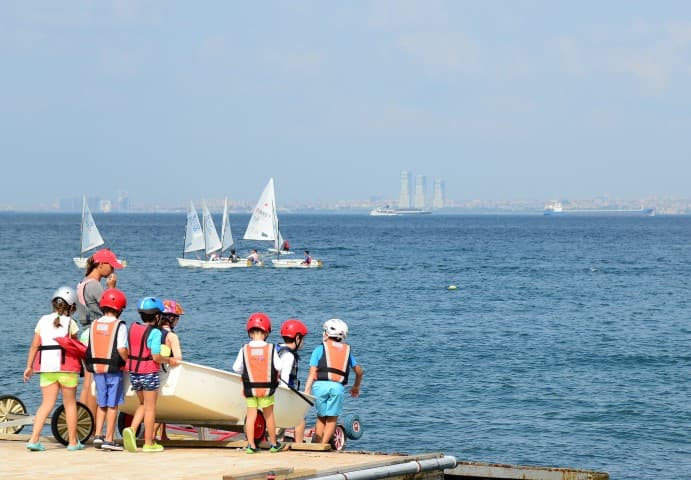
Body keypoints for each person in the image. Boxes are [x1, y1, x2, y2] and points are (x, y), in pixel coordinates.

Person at [23, 286, 84, 451]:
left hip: (47, 369)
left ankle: (33, 439)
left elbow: (35, 346)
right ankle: (72, 442)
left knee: (46, 404)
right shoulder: (71, 323)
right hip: (67, 369)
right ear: (71, 307)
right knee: (70, 404)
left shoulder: (42, 320)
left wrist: (29, 367)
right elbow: (76, 347)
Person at [76, 248, 123, 420]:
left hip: (85, 332)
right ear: (101, 264)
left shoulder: (82, 283)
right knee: (95, 383)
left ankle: (81, 422)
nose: (113, 270)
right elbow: (112, 309)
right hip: (96, 335)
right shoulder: (95, 286)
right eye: (111, 266)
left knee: (87, 383)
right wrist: (111, 289)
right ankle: (93, 422)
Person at [232, 312, 286, 454]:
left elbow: (236, 368)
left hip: (250, 390)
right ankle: (274, 444)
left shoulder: (244, 349)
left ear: (249, 333)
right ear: (267, 332)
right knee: (269, 416)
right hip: (267, 390)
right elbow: (279, 366)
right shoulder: (271, 349)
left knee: (251, 416)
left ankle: (251, 445)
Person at [122, 297, 170, 453]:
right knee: (150, 408)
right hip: (148, 371)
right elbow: (156, 356)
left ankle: (131, 429)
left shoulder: (133, 328)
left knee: (143, 404)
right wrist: (169, 359)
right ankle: (149, 443)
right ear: (156, 316)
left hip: (134, 372)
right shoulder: (155, 333)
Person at [304, 318, 364, 446]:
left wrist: (306, 392)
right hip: (337, 387)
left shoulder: (319, 349)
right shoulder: (347, 352)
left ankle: (317, 444)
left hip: (319, 387)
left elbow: (311, 374)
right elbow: (359, 372)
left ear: (326, 333)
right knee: (332, 419)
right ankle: (324, 445)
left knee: (321, 416)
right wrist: (356, 387)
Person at [83, 288, 128, 451]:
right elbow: (122, 349)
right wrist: (128, 360)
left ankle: (97, 435)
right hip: (114, 369)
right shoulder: (119, 325)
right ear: (120, 309)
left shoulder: (94, 324)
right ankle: (109, 439)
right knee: (113, 405)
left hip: (97, 369)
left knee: (101, 403)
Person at [153, 299, 185, 441]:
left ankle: (163, 434)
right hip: (165, 372)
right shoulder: (172, 336)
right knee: (162, 406)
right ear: (171, 319)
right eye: (177, 318)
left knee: (159, 403)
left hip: (152, 371)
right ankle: (153, 435)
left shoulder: (153, 333)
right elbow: (178, 358)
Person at [277, 318, 308, 444]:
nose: (303, 342)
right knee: (299, 420)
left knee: (279, 422)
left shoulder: (276, 349)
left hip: (272, 392)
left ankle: (275, 441)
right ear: (297, 338)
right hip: (283, 393)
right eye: (303, 339)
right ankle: (299, 446)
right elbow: (284, 378)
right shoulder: (289, 356)